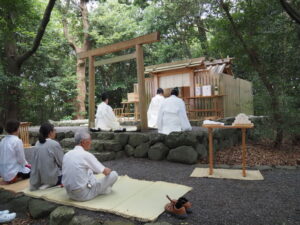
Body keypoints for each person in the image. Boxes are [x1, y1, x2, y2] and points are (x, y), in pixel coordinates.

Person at [62, 131, 118, 201]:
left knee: (88, 170)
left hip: (69, 193)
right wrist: (108, 169)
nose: (91, 142)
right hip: (82, 195)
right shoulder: (86, 155)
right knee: (114, 174)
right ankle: (103, 190)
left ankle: (100, 188)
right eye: (89, 140)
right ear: (83, 142)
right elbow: (106, 172)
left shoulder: (67, 155)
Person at [30, 123, 64, 190]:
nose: (55, 132)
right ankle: (49, 183)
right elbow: (62, 163)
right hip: (50, 178)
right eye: (54, 130)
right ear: (50, 132)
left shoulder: (37, 143)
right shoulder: (54, 144)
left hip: (36, 179)